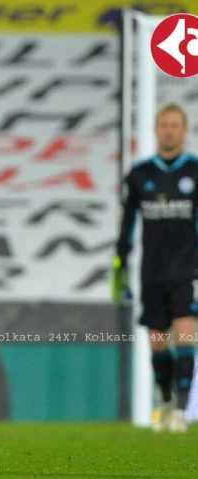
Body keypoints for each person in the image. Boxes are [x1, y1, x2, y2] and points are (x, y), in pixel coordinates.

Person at [113, 103, 197, 433]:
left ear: (184, 130)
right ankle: (165, 399)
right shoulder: (139, 175)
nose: (169, 130)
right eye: (164, 124)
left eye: (175, 125)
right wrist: (120, 264)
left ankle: (181, 409)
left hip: (187, 271)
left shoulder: (195, 172)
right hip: (152, 273)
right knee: (159, 344)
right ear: (156, 129)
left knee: (187, 335)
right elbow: (127, 226)